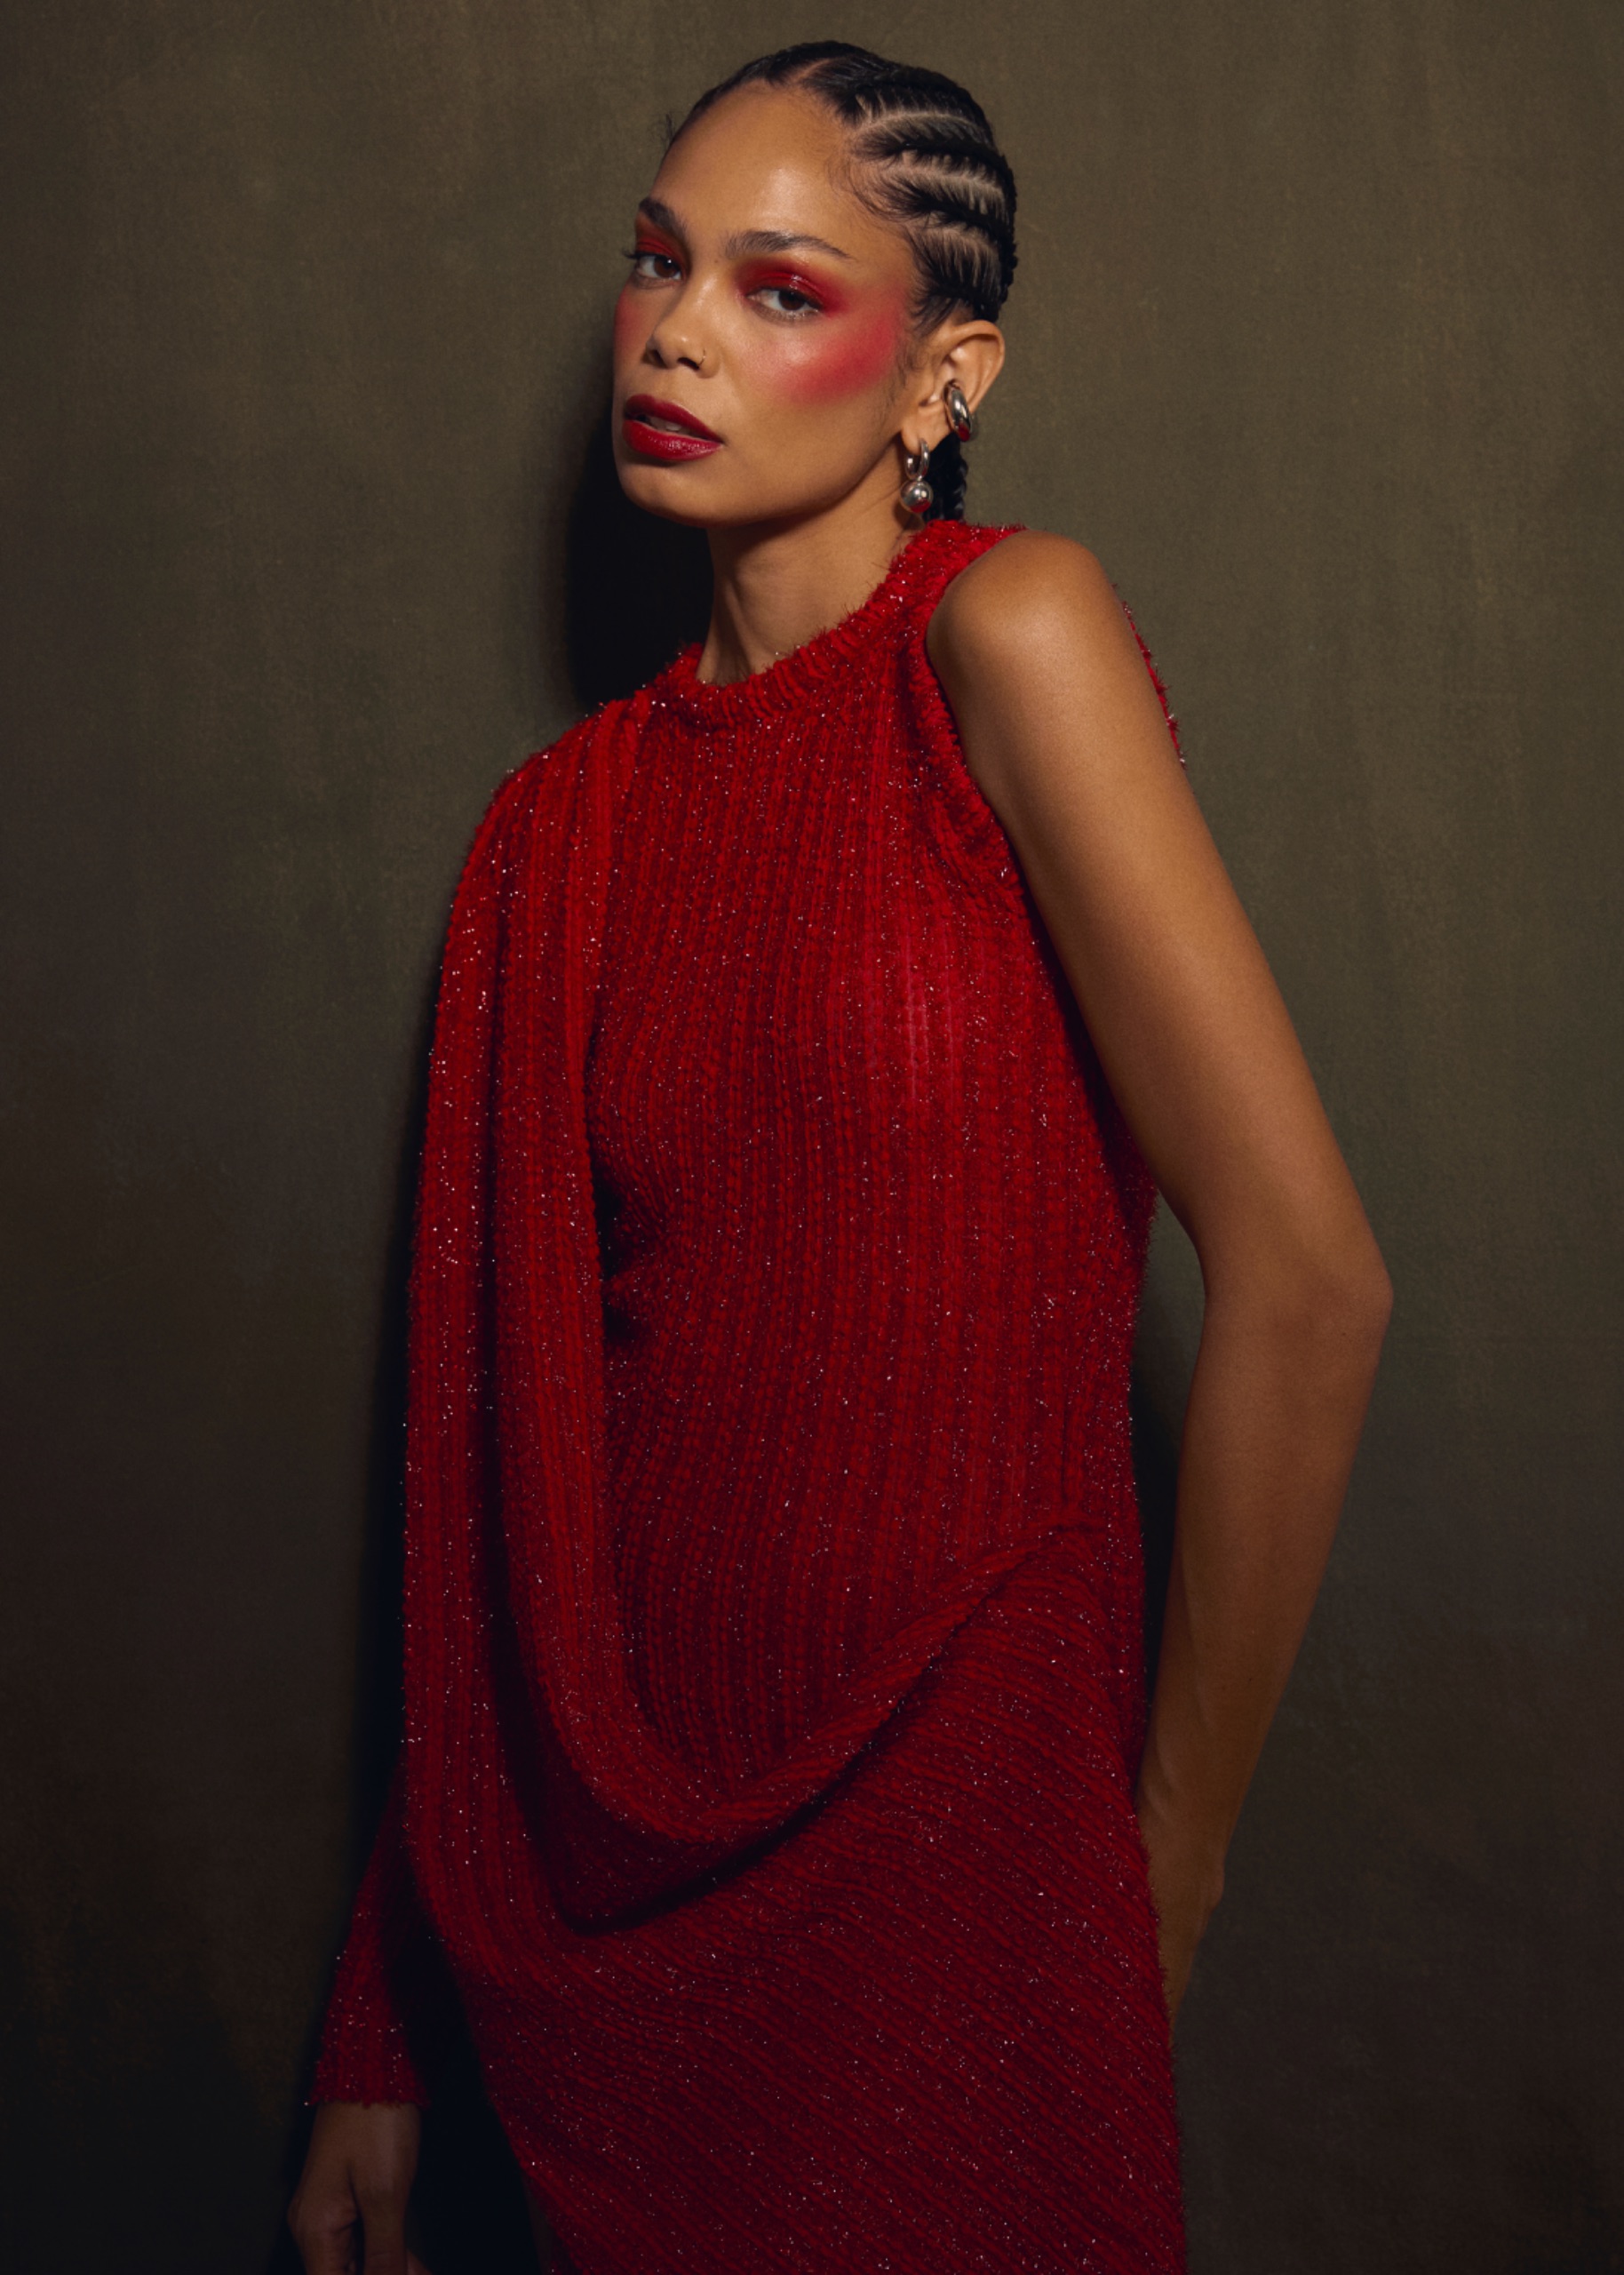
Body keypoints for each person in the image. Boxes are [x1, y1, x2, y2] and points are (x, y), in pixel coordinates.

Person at [289, 41, 1391, 2275]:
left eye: (778, 287)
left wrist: (1154, 1868)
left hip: (961, 1866)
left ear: (942, 369)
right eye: (651, 265)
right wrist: (377, 2024)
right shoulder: (551, 838)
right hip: (609, 1902)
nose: (677, 328)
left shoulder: (1004, 638)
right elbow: (486, 1486)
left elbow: (1305, 1280)